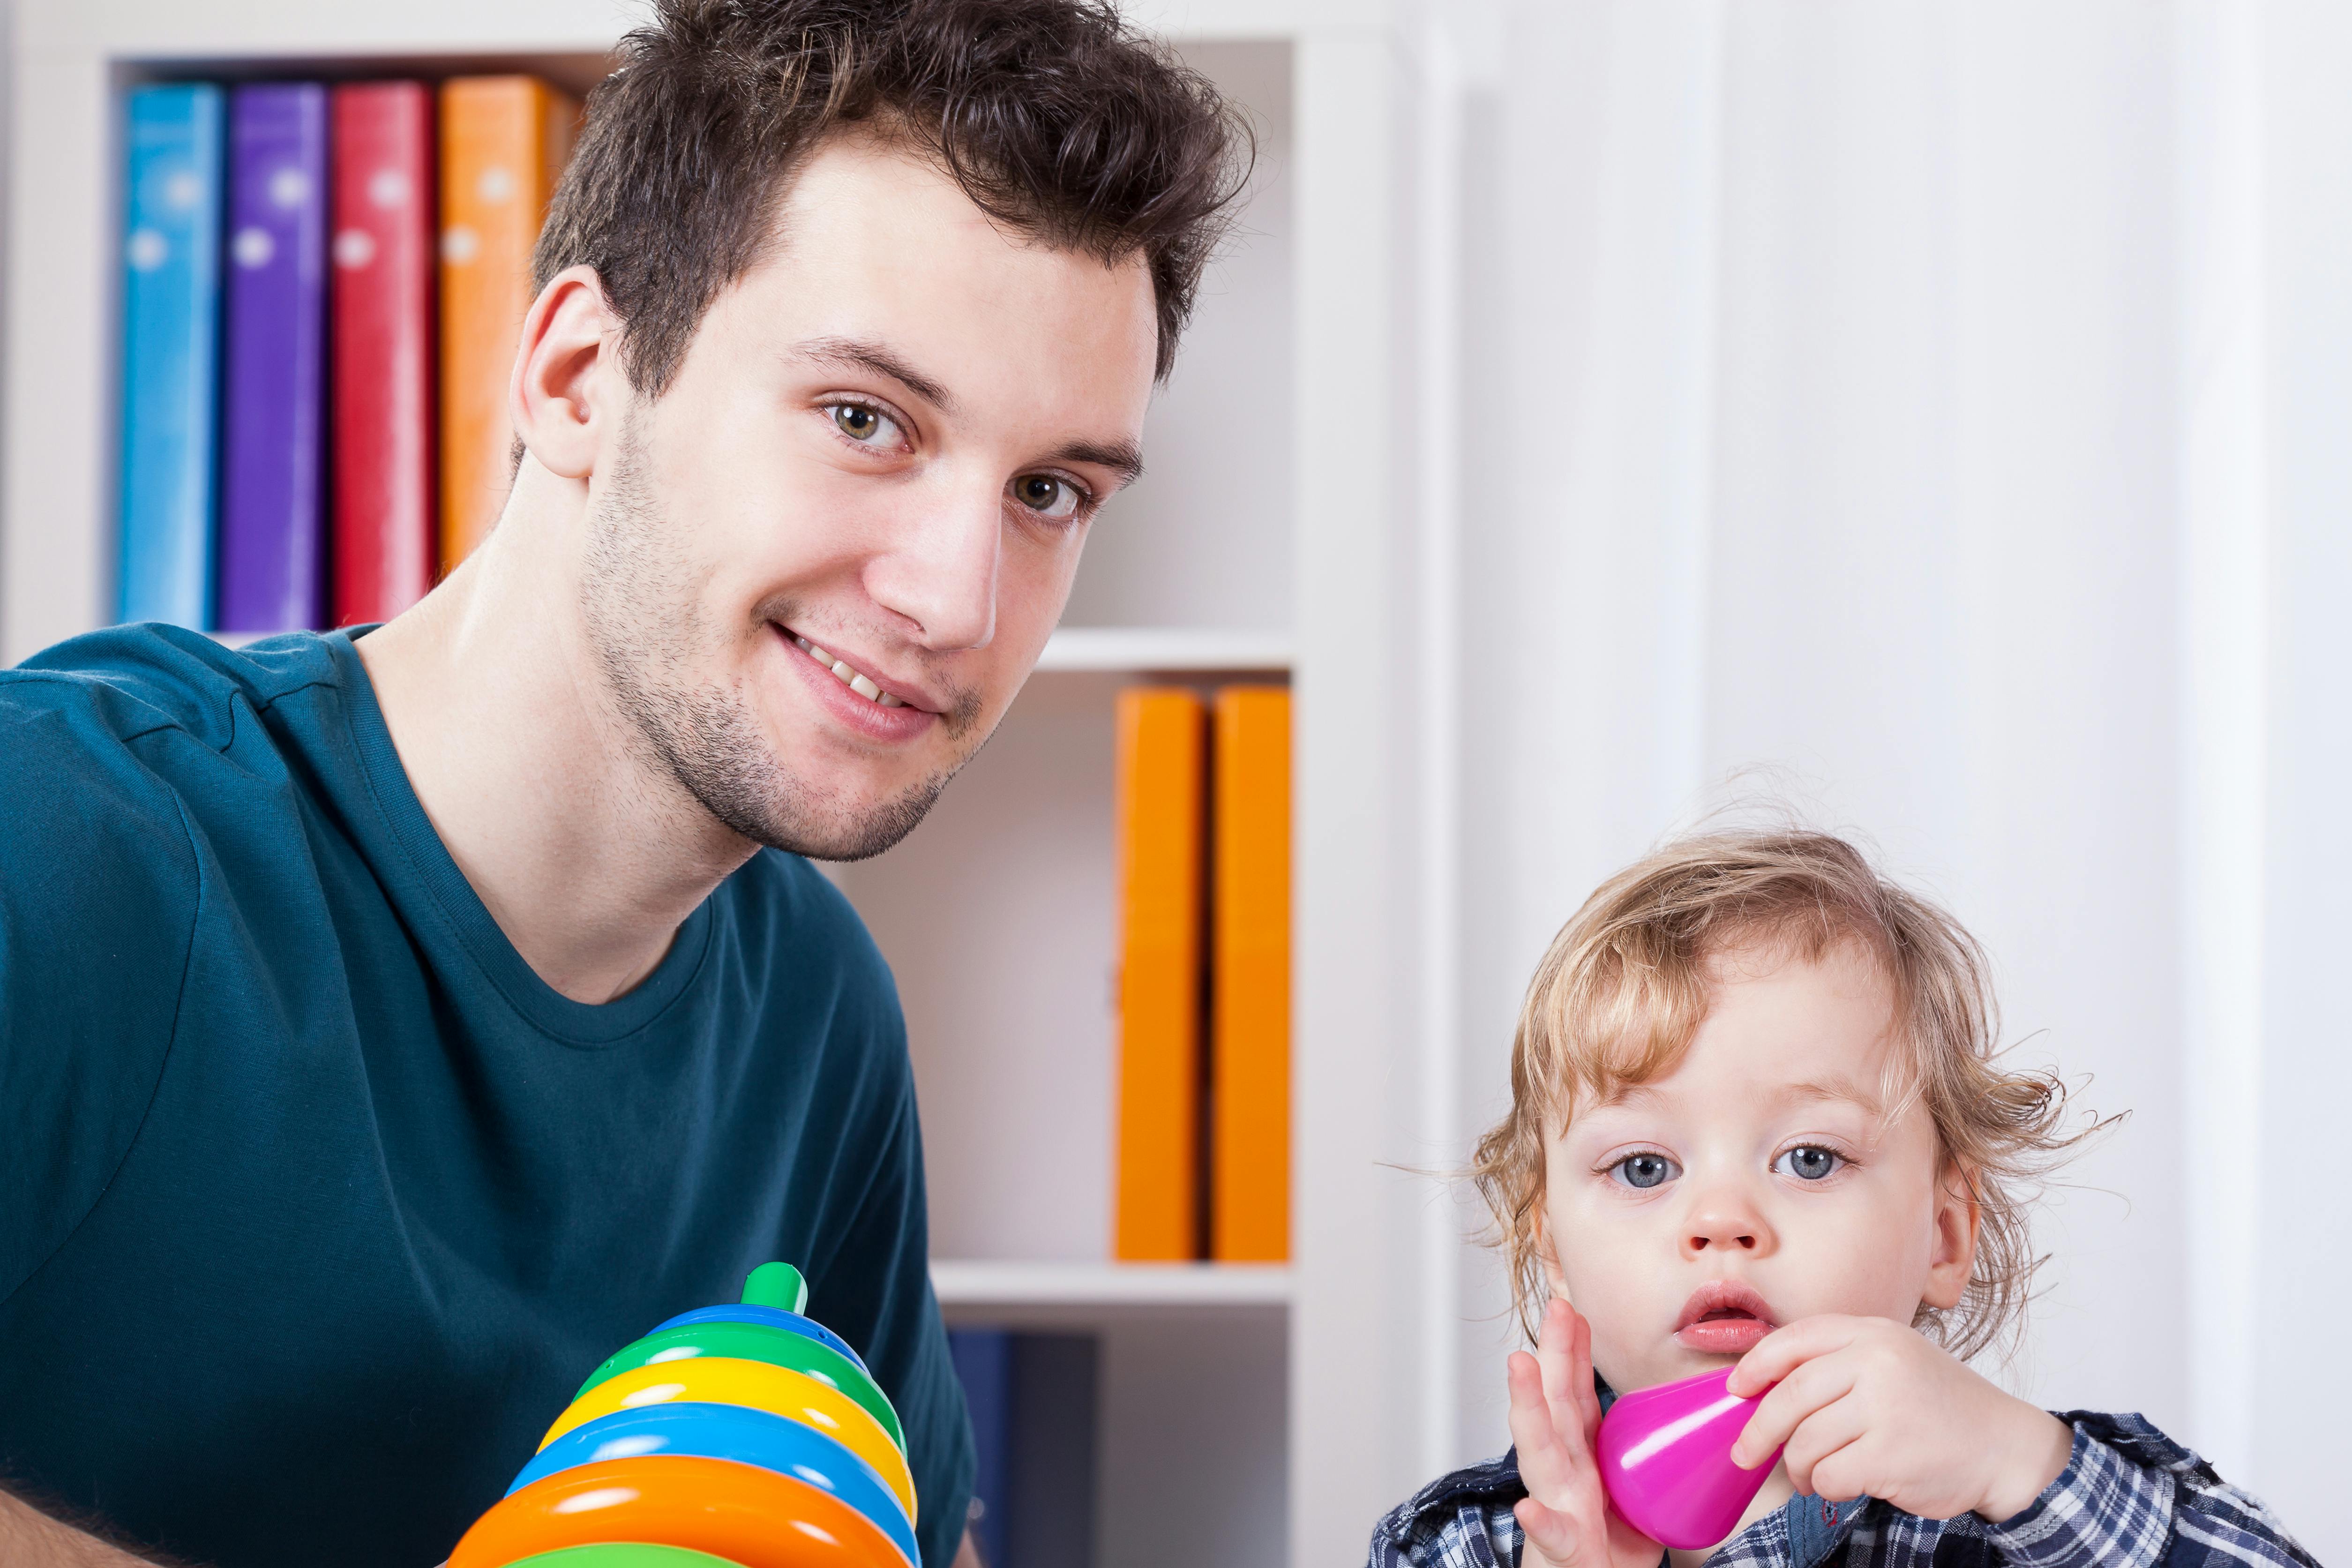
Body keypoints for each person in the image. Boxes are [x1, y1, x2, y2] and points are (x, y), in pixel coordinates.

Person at [0, 3, 1247, 1565]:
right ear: (582, 376)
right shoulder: (63, 841)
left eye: (1047, 491)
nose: (959, 601)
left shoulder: (812, 1012)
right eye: (865, 419)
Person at [1368, 830, 2317, 1568]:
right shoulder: (1465, 1543)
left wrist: (2017, 1462)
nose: (1721, 1221)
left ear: (1944, 1237)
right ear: (1551, 1240)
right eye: (1645, 1168)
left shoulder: (2008, 1519)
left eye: (1810, 1157)